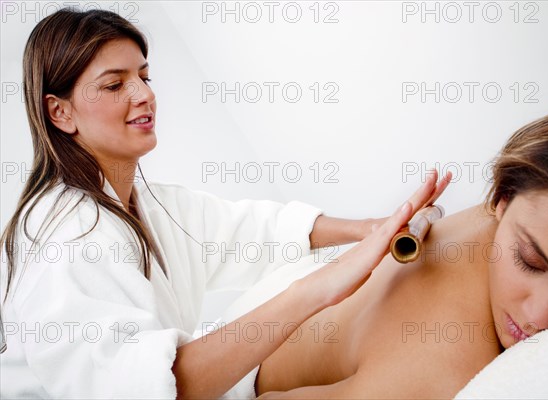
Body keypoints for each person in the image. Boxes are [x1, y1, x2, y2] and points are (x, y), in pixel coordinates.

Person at [0, 8, 451, 399]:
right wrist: (317, 289)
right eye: (116, 85)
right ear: (60, 113)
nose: (144, 94)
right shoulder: (63, 234)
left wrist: (368, 228)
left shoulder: (147, 204)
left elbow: (250, 230)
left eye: (144, 75)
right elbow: (143, 390)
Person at [221, 92, 548, 399]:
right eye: (530, 261)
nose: (542, 318)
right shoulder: (435, 375)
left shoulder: (526, 214)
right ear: (501, 198)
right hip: (241, 362)